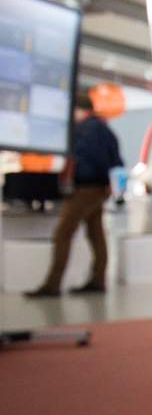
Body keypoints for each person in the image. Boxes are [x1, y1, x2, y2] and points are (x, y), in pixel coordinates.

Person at [25, 90, 124, 297]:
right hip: (96, 187)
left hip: (87, 188)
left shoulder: (89, 129)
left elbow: (95, 160)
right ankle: (97, 280)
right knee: (95, 233)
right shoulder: (101, 128)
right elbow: (113, 160)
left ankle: (52, 285)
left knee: (63, 233)